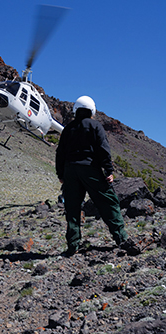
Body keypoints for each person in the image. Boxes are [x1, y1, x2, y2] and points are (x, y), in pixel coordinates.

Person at [55, 96, 139, 256]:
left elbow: (60, 153)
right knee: (109, 203)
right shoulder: (95, 126)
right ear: (92, 110)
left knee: (72, 208)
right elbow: (103, 150)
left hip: (70, 171)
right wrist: (108, 171)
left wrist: (61, 174)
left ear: (75, 110)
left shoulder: (68, 128)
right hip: (90, 169)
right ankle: (121, 238)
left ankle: (72, 246)